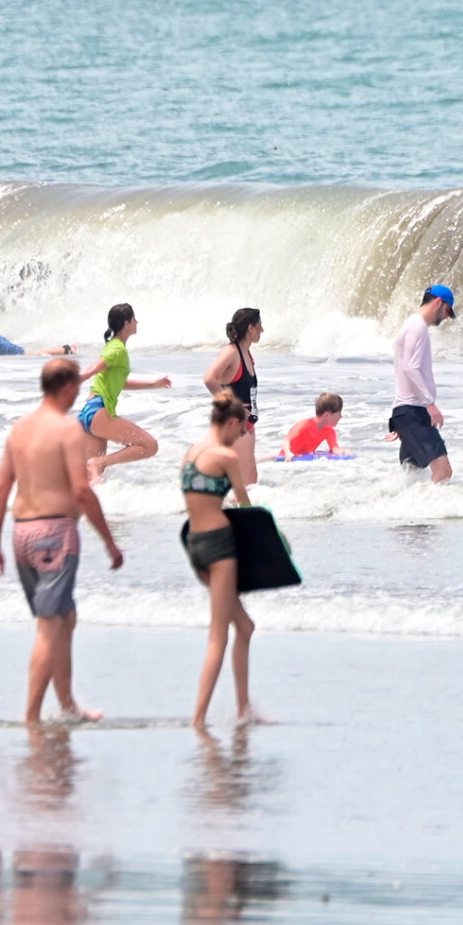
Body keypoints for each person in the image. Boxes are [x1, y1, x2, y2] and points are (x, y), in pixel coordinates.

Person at [0, 356, 124, 724]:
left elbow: (1, 489)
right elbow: (81, 490)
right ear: (66, 388)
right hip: (55, 536)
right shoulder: (67, 431)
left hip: (21, 537)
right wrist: (109, 541)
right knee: (49, 626)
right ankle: (31, 718)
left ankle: (66, 706)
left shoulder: (20, 430)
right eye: (76, 387)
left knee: (66, 616)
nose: (78, 393)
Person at [181, 390, 258, 729]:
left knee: (245, 626)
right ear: (230, 423)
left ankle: (244, 711)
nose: (240, 437)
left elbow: (199, 499)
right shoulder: (224, 455)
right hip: (218, 545)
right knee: (219, 636)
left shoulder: (191, 453)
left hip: (195, 544)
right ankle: (198, 719)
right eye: (240, 431)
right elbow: (243, 502)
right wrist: (276, 538)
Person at [82, 302, 167, 481]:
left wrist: (152, 384)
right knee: (150, 445)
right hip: (99, 410)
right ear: (126, 323)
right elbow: (92, 369)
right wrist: (76, 379)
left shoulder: (112, 345)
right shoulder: (117, 349)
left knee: (91, 478)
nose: (137, 322)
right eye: (134, 318)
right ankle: (101, 463)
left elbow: (119, 382)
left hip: (89, 412)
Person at [389, 285, 455, 482]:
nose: (446, 317)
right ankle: (433, 511)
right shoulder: (417, 327)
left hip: (407, 412)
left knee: (414, 474)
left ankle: (404, 509)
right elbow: (410, 368)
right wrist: (430, 403)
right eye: (447, 311)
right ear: (437, 302)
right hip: (413, 412)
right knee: (443, 471)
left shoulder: (410, 325)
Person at [203, 307, 264, 487]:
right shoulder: (231, 352)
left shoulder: (247, 354)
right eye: (260, 325)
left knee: (246, 482)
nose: (262, 330)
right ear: (250, 328)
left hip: (246, 423)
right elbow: (209, 379)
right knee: (247, 484)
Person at [283, 393, 350, 458]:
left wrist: (344, 451)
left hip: (303, 458)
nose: (340, 417)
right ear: (327, 415)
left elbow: (334, 449)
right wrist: (288, 453)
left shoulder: (329, 431)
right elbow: (286, 440)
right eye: (338, 413)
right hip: (285, 459)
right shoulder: (305, 425)